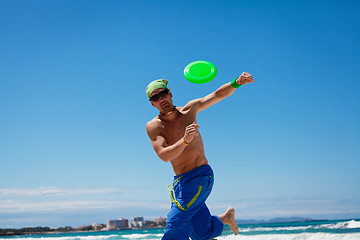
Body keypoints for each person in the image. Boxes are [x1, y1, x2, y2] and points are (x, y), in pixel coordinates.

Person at [145, 72, 255, 240]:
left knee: (176, 223)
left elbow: (217, 95)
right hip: (180, 183)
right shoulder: (154, 126)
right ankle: (224, 219)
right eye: (155, 97)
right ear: (152, 103)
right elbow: (163, 155)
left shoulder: (190, 110)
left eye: (163, 93)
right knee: (200, 233)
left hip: (200, 176)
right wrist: (185, 140)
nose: (161, 99)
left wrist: (237, 82)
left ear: (170, 94)